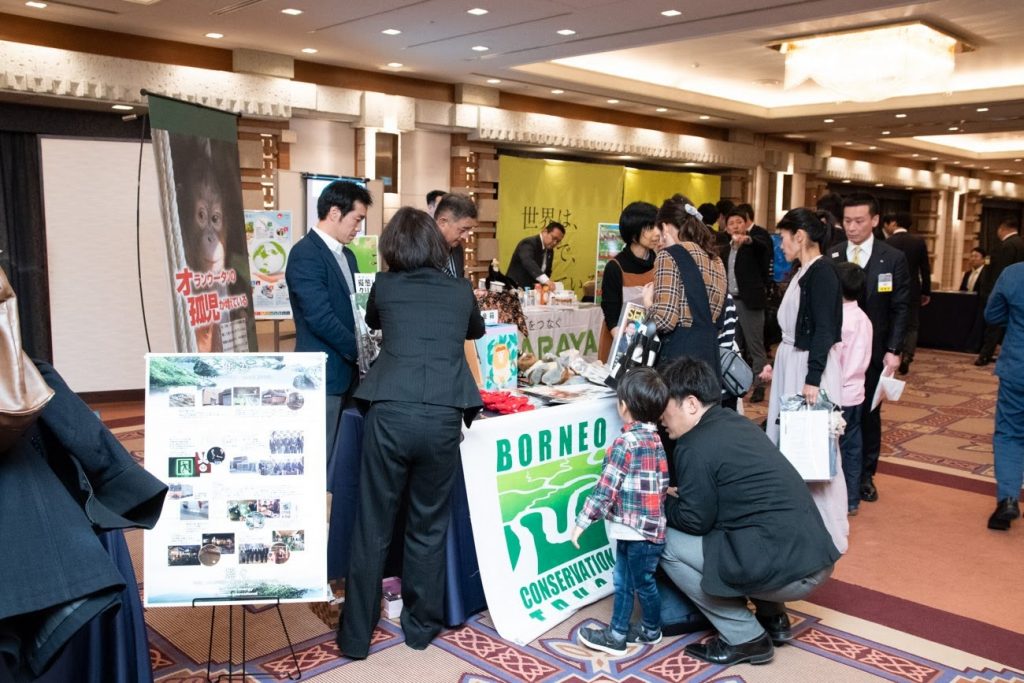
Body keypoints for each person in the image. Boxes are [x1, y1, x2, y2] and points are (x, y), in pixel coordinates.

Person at [337, 207, 485, 659]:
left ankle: (355, 637)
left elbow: (374, 322)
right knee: (428, 524)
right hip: (442, 416)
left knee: (372, 525)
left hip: (389, 412)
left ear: (392, 248)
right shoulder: (460, 290)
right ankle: (420, 629)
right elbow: (476, 330)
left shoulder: (385, 286)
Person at [658, 358, 841, 667]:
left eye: (664, 406)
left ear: (690, 404)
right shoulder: (736, 422)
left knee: (663, 541)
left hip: (788, 572)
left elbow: (694, 520)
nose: (660, 416)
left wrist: (661, 501)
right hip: (816, 556)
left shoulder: (692, 446)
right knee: (745, 526)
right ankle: (774, 618)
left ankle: (745, 638)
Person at [763, 208, 849, 553]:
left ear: (800, 236)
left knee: (816, 447)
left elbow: (825, 329)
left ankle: (827, 528)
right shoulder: (804, 271)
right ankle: (802, 522)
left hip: (808, 367)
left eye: (783, 239)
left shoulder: (822, 272)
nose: (780, 246)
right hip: (793, 362)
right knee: (794, 444)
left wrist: (813, 378)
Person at [571, 367, 669, 656]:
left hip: (633, 531)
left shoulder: (624, 443)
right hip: (649, 530)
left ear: (623, 405)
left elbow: (606, 488)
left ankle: (621, 635)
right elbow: (662, 483)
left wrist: (582, 522)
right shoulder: (656, 440)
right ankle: (646, 630)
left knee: (631, 583)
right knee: (636, 582)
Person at [831, 192, 910, 504]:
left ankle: (865, 475)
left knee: (868, 414)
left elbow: (901, 307)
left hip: (874, 352)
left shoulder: (892, 258)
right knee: (836, 411)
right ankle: (835, 472)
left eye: (859, 221)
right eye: (847, 221)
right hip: (836, 352)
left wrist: (895, 348)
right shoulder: (834, 254)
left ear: (875, 221)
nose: (852, 227)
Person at [286, 180, 372, 460]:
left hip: (351, 376)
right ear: (335, 212)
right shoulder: (305, 254)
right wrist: (359, 350)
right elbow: (319, 318)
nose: (358, 227)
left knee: (344, 456)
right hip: (323, 374)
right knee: (321, 455)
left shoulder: (348, 255)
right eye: (356, 219)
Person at [643, 194, 726, 382]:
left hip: (679, 361)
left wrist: (648, 302)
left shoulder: (668, 256)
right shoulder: (716, 260)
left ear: (665, 227)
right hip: (709, 359)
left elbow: (665, 320)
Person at [984, 262, 1024, 530]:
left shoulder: (1014, 273)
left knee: (1010, 433)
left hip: (1017, 365)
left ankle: (1008, 498)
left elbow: (993, 314)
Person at [598, 201, 660, 361]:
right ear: (633, 233)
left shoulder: (661, 263)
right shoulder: (615, 267)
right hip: (620, 341)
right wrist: (626, 349)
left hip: (652, 341)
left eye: (658, 226)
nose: (657, 233)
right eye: (650, 227)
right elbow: (611, 314)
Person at [721, 208, 771, 402]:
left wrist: (748, 240)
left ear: (746, 224)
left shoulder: (753, 245)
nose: (735, 226)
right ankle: (736, 383)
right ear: (726, 228)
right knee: (735, 345)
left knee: (755, 346)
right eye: (731, 223)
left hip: (750, 302)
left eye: (739, 222)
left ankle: (759, 385)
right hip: (730, 302)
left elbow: (763, 247)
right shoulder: (725, 250)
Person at [836, 262, 873, 517]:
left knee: (833, 447)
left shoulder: (840, 320)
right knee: (852, 447)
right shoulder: (864, 318)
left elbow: (836, 359)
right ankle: (851, 499)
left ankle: (833, 497)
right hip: (857, 392)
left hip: (839, 392)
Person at [882, 213, 931, 375]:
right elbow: (925, 269)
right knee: (912, 325)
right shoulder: (918, 242)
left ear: (894, 223)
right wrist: (926, 291)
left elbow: (884, 270)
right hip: (913, 290)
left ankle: (893, 350)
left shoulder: (888, 242)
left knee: (892, 322)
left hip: (891, 289)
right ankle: (908, 355)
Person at [976, 219, 1024, 366]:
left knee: (994, 325)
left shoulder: (1006, 246)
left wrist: (992, 292)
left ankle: (985, 355)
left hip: (1003, 293)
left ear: (1002, 229)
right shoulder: (1020, 244)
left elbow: (999, 272)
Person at [506, 221, 565, 288]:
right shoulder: (528, 243)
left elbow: (547, 271)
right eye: (554, 238)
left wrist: (545, 285)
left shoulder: (550, 250)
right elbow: (528, 262)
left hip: (532, 290)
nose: (555, 243)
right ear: (545, 231)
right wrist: (545, 280)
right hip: (515, 287)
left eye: (558, 241)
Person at [433, 193, 477, 279]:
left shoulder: (457, 249)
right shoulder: (420, 251)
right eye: (463, 230)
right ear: (443, 222)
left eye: (469, 230)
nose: (466, 236)